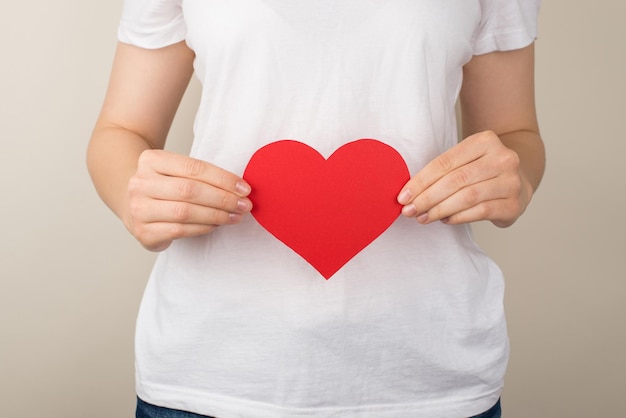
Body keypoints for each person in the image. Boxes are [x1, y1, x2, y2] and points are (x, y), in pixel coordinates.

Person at [87, 0, 545, 417]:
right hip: (212, 372)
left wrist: (514, 178)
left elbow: (514, 131)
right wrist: (135, 196)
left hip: (431, 374)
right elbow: (122, 129)